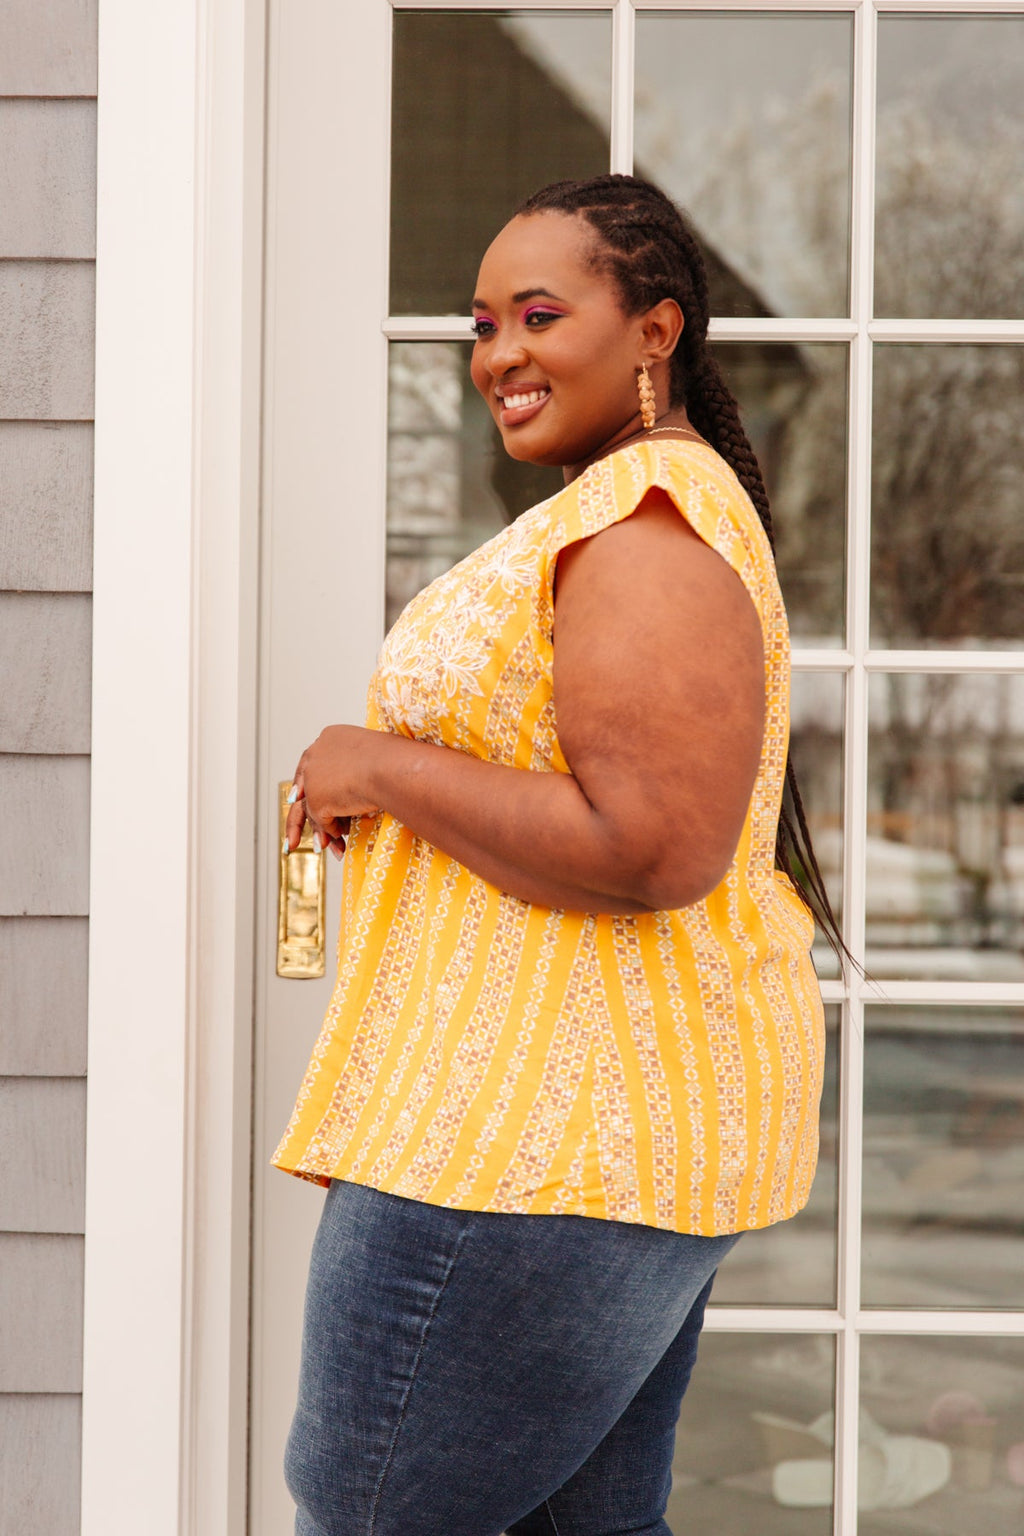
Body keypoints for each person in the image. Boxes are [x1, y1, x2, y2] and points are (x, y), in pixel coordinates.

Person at [276, 174, 829, 1536]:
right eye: (482, 325)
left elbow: (651, 846)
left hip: (532, 1142)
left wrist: (377, 768)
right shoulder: (628, 512)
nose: (499, 355)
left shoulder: (647, 525)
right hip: (562, 1131)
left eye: (539, 315)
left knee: (369, 1513)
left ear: (656, 328)